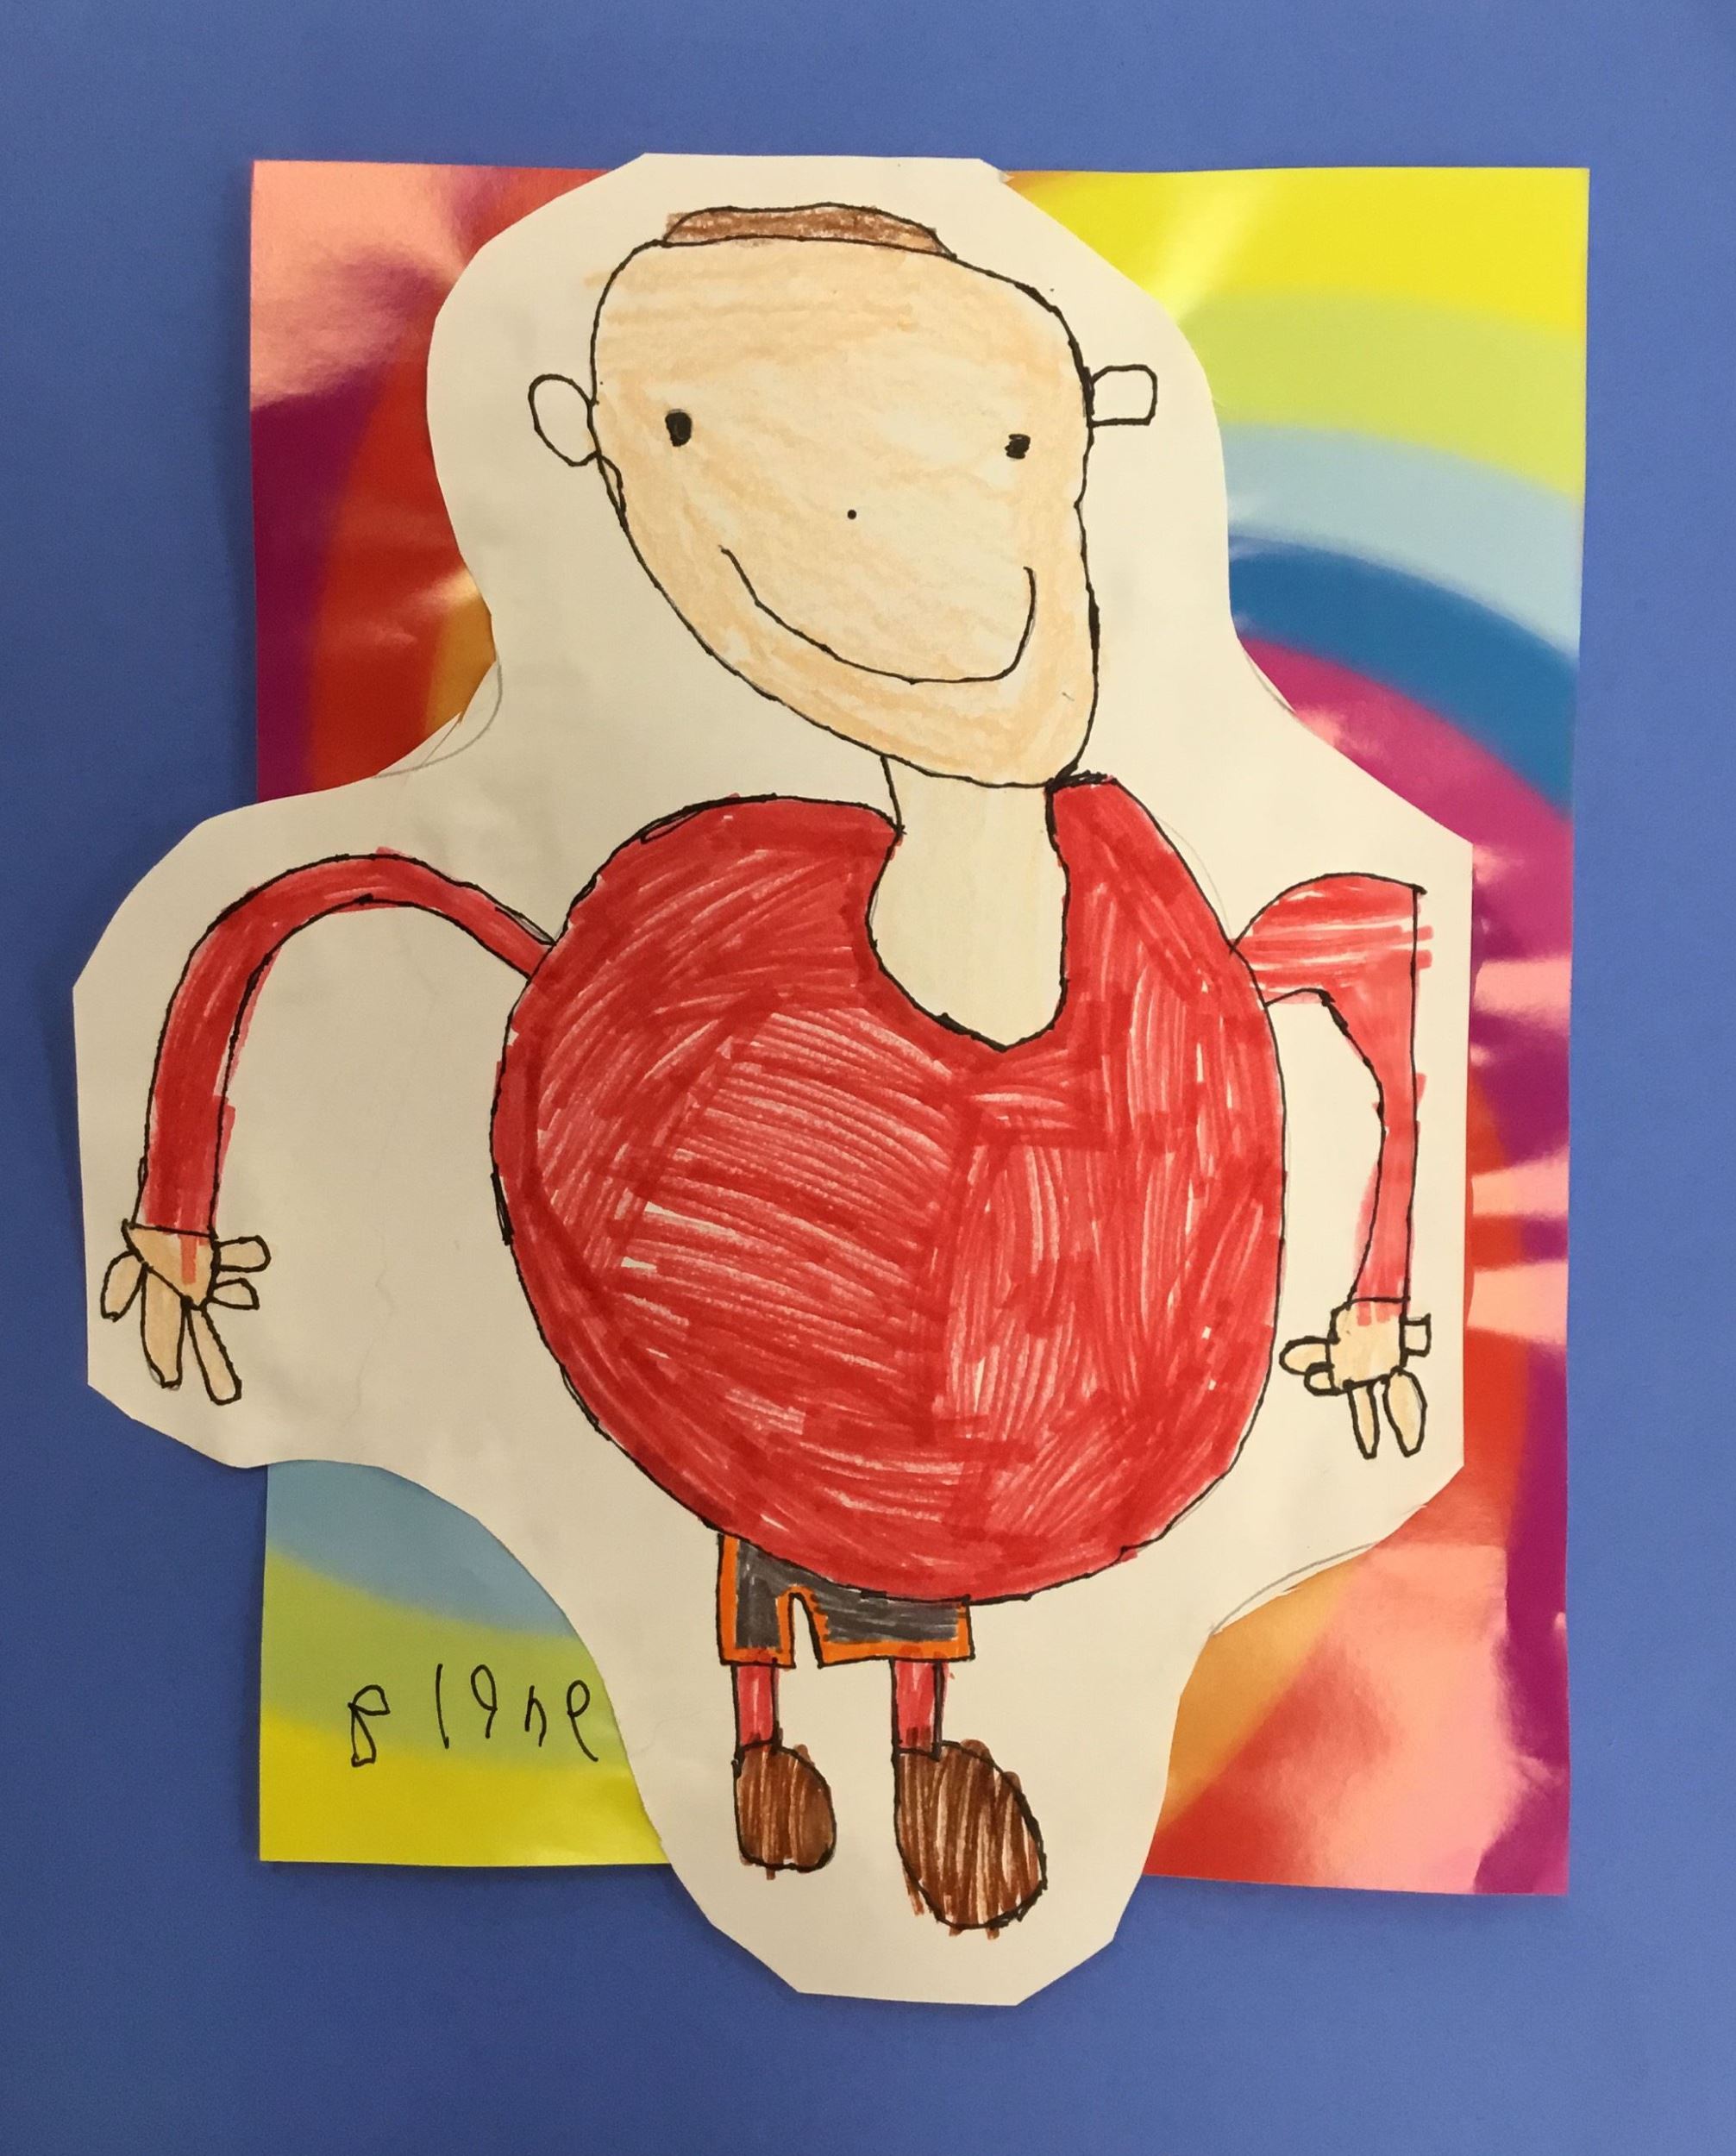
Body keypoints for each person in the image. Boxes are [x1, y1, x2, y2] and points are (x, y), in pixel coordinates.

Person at [100, 203, 1428, 1935]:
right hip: (727, 1367)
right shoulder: (686, 971)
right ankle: (767, 1753)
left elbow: (1378, 969)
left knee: (872, 1562)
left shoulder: (1143, 990)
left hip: (957, 1392)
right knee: (783, 1567)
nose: (880, 526)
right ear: (608, 453)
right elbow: (297, 907)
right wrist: (175, 1217)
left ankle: (878, 1753)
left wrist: (1379, 1295)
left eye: (998, 447)